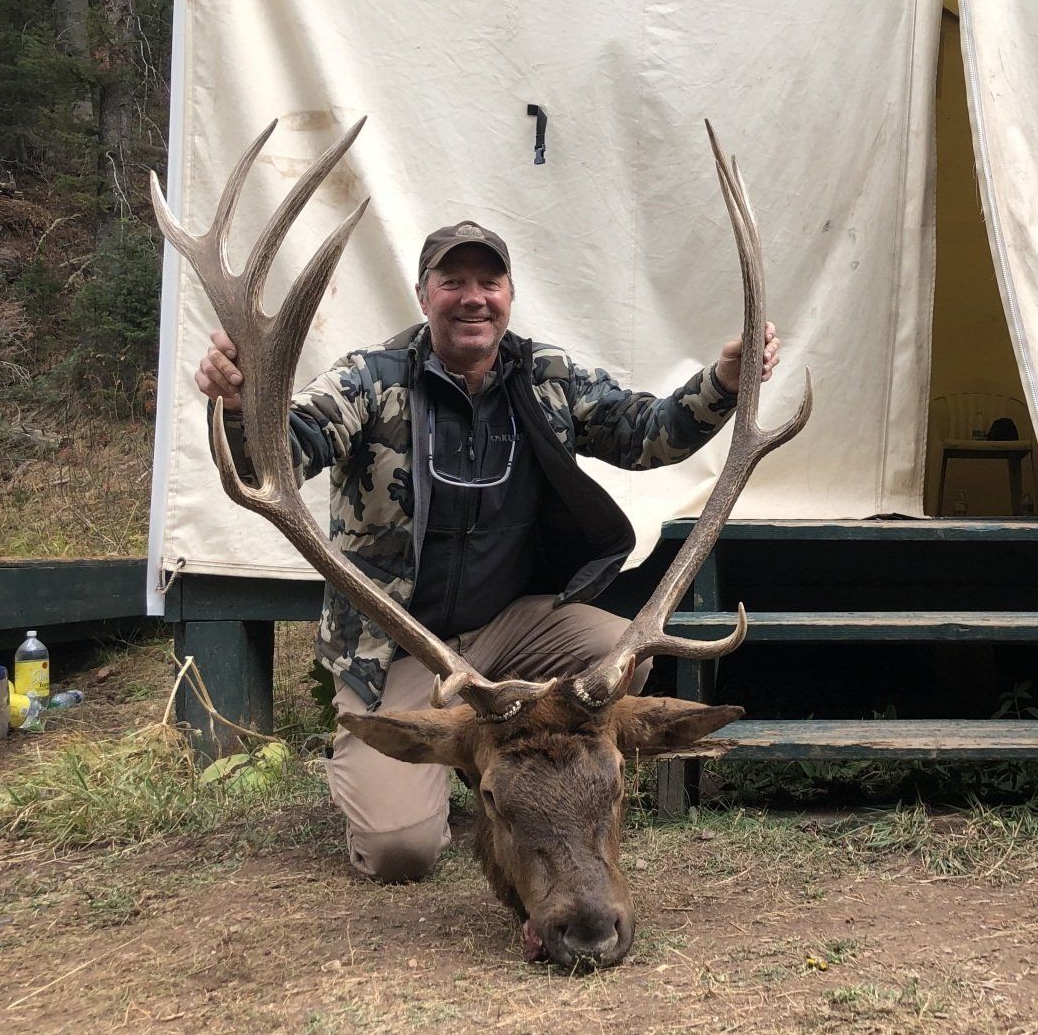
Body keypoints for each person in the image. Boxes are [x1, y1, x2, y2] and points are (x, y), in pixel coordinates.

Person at [195, 220, 780, 880]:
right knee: (400, 853)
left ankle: (548, 792)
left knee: (618, 660)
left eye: (488, 281)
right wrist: (242, 406)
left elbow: (650, 434)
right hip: (401, 651)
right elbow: (287, 451)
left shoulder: (547, 377)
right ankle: (414, 773)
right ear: (424, 296)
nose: (473, 297)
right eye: (453, 282)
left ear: (509, 294)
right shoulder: (370, 378)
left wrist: (725, 380)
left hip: (512, 633)